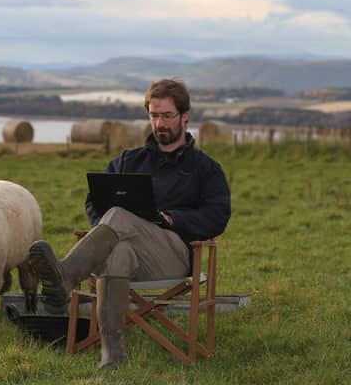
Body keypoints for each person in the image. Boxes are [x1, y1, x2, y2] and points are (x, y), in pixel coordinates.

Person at [28, 78, 231, 369]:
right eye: (153, 115)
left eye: (167, 116)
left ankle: (66, 278)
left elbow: (218, 215)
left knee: (120, 216)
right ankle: (112, 355)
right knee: (117, 250)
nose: (159, 123)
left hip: (173, 256)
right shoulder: (128, 160)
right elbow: (93, 202)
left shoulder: (205, 168)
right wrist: (109, 233)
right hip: (129, 254)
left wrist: (172, 219)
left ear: (185, 116)